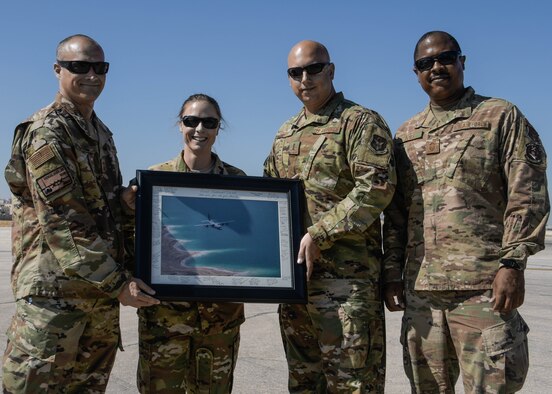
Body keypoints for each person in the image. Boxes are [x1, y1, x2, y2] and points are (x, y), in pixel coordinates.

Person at [383, 31, 549, 393]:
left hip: (484, 290)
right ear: (416, 72)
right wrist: (392, 273)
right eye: (425, 63)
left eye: (445, 58)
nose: (436, 67)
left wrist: (513, 264)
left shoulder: (499, 116)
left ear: (462, 62)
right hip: (422, 295)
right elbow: (395, 215)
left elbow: (528, 193)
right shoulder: (405, 135)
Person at [2, 34, 158, 393]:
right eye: (79, 67)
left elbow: (96, 208)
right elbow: (62, 222)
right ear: (57, 70)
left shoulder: (100, 134)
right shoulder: (46, 133)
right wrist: (119, 283)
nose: (92, 75)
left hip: (98, 301)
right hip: (54, 301)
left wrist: (123, 204)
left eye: (100, 67)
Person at [264, 40, 396, 393]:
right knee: (304, 382)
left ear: (331, 71)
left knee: (353, 385)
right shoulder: (284, 134)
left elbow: (376, 189)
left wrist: (319, 234)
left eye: (313, 69)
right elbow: (266, 196)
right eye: (295, 72)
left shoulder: (359, 122)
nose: (304, 79)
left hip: (347, 289)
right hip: (296, 287)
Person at [137, 93, 246, 394]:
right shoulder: (155, 180)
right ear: (180, 124)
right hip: (165, 321)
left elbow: (246, 242)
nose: (200, 128)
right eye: (191, 121)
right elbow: (132, 240)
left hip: (219, 325)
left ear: (218, 128)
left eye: (208, 122)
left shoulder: (240, 182)